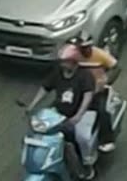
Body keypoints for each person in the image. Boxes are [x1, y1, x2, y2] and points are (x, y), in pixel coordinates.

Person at [30, 44, 97, 179]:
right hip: (59, 114)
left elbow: (87, 97)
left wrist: (78, 115)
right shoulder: (58, 73)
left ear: (74, 61)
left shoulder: (85, 76)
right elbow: (45, 88)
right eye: (62, 61)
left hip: (80, 113)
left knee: (81, 137)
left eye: (65, 61)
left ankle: (86, 165)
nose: (62, 64)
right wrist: (32, 105)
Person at [74, 36, 119, 153]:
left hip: (97, 90)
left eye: (87, 47)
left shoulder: (100, 54)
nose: (85, 51)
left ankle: (107, 140)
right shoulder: (75, 56)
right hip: (80, 89)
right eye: (82, 48)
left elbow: (116, 68)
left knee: (102, 110)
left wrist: (106, 82)